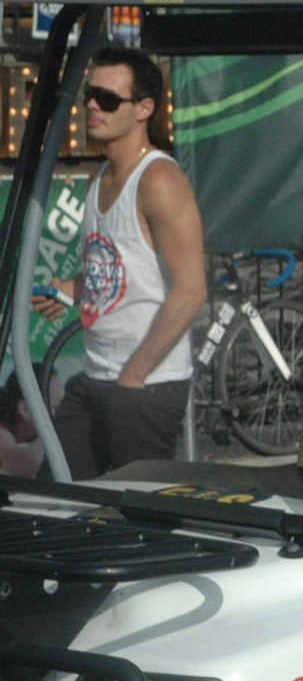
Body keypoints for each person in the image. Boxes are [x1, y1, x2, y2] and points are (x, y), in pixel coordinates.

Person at [32, 48, 206, 480]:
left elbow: (191, 289)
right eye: (91, 94)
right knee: (49, 495)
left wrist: (135, 373)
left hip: (144, 386)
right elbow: (116, 270)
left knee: (140, 517)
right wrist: (68, 289)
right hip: (96, 378)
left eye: (108, 99)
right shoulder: (99, 179)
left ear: (144, 108)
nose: (92, 105)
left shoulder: (159, 179)